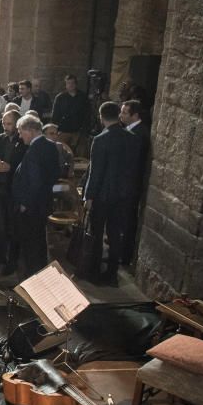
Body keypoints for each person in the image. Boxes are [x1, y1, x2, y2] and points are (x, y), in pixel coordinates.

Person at [83, 102, 143, 285]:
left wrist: (89, 196)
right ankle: (111, 275)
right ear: (118, 115)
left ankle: (93, 272)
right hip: (123, 195)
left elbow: (96, 172)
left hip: (102, 195)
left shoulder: (101, 140)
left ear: (101, 117)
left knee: (96, 233)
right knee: (116, 235)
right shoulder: (132, 138)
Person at [11, 114, 61, 275]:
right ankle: (40, 274)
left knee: (31, 246)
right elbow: (54, 173)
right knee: (39, 243)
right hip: (43, 203)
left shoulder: (35, 150)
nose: (19, 135)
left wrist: (25, 204)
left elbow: (34, 181)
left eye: (21, 131)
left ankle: (32, 278)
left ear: (31, 130)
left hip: (31, 208)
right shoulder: (51, 145)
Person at [0, 110, 25, 274]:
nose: (5, 126)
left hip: (14, 189)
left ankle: (12, 261)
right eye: (4, 123)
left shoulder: (24, 141)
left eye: (9, 123)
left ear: (17, 125)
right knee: (0, 226)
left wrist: (10, 168)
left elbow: (24, 165)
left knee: (13, 227)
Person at [119, 99, 150, 264]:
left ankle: (124, 256)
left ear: (135, 115)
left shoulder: (138, 134)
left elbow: (132, 164)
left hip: (129, 186)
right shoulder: (131, 131)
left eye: (124, 112)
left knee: (127, 221)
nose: (121, 115)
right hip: (126, 185)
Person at [52, 74, 91, 156]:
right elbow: (55, 115)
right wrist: (57, 129)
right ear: (66, 85)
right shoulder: (60, 98)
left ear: (76, 84)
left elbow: (88, 114)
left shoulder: (83, 97)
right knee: (60, 153)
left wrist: (85, 129)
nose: (71, 85)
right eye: (68, 83)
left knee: (81, 154)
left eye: (72, 83)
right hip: (63, 131)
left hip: (79, 131)